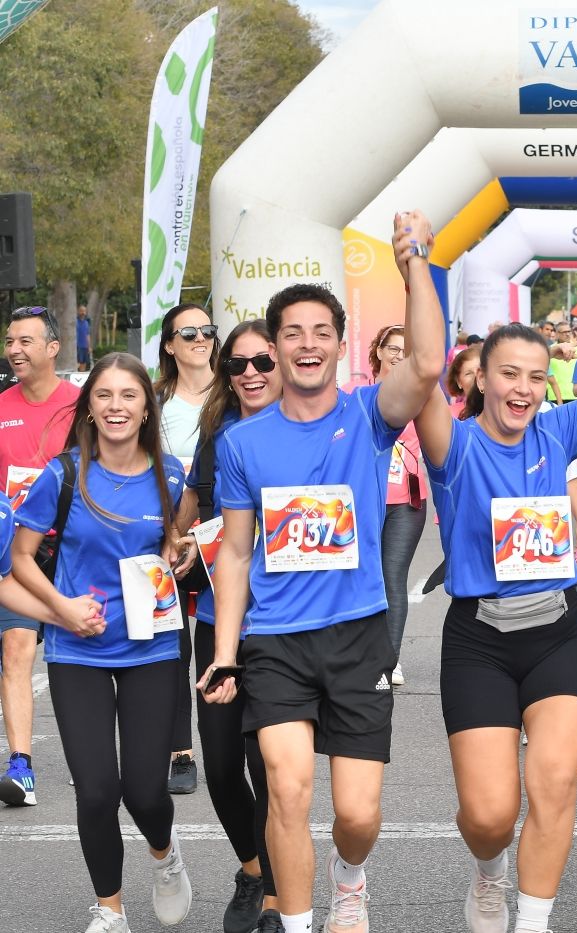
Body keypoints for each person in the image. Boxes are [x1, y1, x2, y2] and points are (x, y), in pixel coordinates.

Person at [201, 210, 444, 933]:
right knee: (286, 786)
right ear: (274, 348)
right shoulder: (244, 443)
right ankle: (300, 923)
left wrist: (415, 266)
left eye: (321, 332)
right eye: (292, 333)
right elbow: (237, 554)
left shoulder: (371, 414)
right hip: (275, 643)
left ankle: (350, 874)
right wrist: (224, 655)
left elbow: (428, 364)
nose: (307, 344)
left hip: (358, 634)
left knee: (356, 813)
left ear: (341, 345)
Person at [414, 293, 577, 932]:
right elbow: (425, 362)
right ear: (479, 377)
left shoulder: (560, 430)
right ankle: (489, 872)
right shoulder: (452, 445)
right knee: (489, 815)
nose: (523, 388)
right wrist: (412, 270)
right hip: (478, 639)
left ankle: (533, 921)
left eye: (536, 376)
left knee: (555, 786)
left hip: (559, 633)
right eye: (508, 373)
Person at [11, 352, 193, 933]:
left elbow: (174, 544)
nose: (116, 406)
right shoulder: (61, 475)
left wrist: (180, 553)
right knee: (94, 791)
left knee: (144, 792)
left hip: (151, 649)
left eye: (129, 396)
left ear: (146, 408)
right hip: (77, 650)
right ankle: (110, 909)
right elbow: (19, 559)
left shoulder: (171, 478)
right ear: (88, 407)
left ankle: (164, 855)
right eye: (104, 396)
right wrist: (61, 610)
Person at [185, 320, 284, 933]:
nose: (249, 374)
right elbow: (191, 509)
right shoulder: (217, 433)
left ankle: (276, 894)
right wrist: (177, 544)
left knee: (267, 764)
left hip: (279, 625)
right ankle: (251, 869)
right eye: (237, 365)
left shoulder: (306, 429)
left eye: (260, 363)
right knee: (220, 767)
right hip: (212, 616)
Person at [0, 305, 80, 808]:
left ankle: (92, 757)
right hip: (17, 547)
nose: (14, 350)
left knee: (82, 654)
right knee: (16, 648)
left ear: (53, 348)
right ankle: (20, 766)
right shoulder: (0, 403)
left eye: (25, 341)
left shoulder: (83, 403)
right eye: (10, 341)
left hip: (74, 544)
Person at [154, 301, 219, 795]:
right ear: (170, 345)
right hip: (167, 532)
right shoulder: (153, 402)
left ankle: (229, 733)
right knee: (172, 643)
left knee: (222, 635)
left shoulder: (237, 391)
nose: (200, 338)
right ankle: (180, 750)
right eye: (188, 332)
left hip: (224, 532)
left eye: (207, 330)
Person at [368, 324, 428, 687]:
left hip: (406, 501)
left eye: (407, 350)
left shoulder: (423, 398)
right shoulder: (357, 394)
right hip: (363, 502)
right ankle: (363, 653)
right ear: (378, 351)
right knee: (363, 578)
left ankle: (389, 661)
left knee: (393, 579)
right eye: (392, 347)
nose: (398, 355)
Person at [446, 343, 482, 419]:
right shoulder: (449, 416)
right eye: (468, 373)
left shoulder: (503, 414)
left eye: (481, 371)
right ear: (459, 381)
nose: (476, 377)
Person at [76, 304, 92, 371]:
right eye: (81, 311)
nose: (83, 313)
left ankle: (81, 379)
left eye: (84, 311)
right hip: (77, 346)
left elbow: (87, 335)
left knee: (84, 363)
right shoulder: (75, 322)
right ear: (78, 311)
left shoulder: (86, 323)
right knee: (77, 363)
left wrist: (89, 347)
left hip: (85, 346)